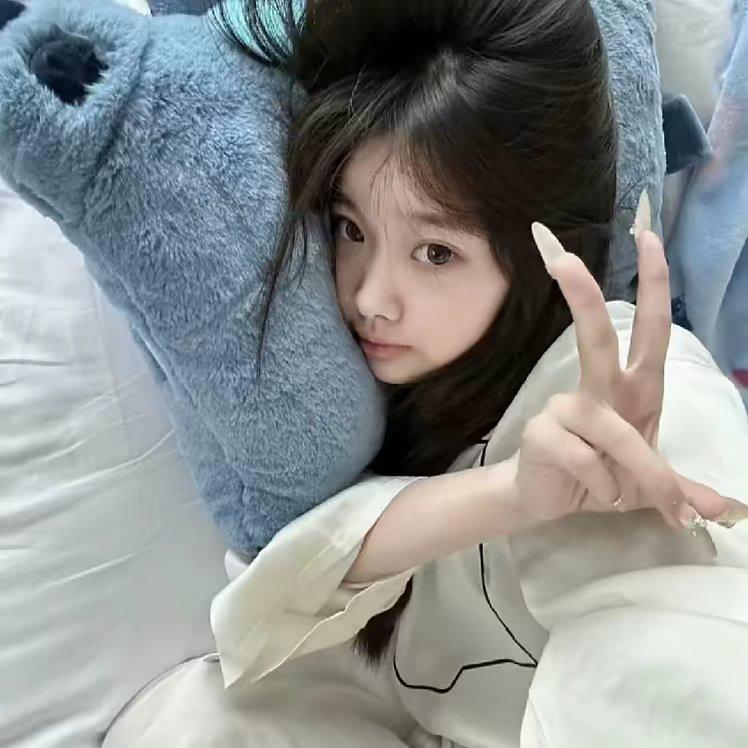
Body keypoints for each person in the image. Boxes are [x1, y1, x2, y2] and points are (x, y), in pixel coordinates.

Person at [104, 0, 748, 745]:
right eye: (351, 228)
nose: (370, 298)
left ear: (540, 252)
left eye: (436, 252)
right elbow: (295, 602)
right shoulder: (357, 398)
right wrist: (507, 495)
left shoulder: (624, 391)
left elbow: (686, 667)